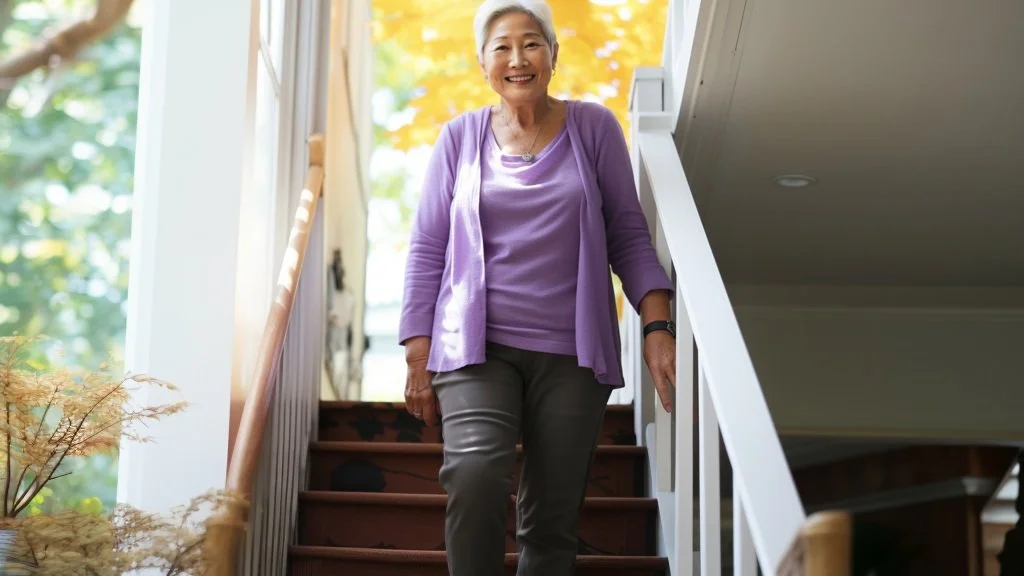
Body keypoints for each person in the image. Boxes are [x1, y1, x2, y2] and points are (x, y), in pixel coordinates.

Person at [398, 1, 677, 573]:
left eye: (531, 43)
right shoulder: (459, 138)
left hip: (571, 352)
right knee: (475, 474)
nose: (517, 58)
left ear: (553, 55)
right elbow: (428, 247)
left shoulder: (595, 128)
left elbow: (628, 234)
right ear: (483, 63)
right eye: (501, 46)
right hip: (476, 349)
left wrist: (656, 324)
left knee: (552, 520)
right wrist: (417, 350)